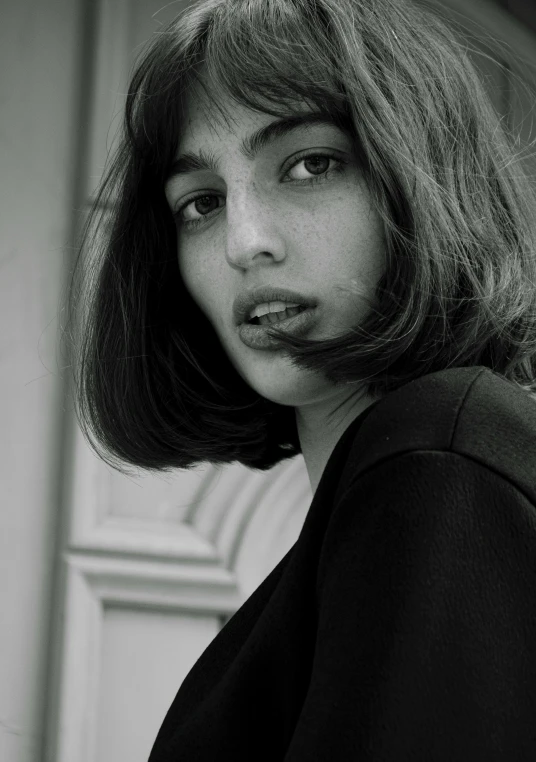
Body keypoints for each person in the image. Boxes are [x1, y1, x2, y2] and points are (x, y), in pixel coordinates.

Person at [61, 0, 536, 758]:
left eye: (311, 164)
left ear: (421, 176)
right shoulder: (368, 523)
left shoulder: (443, 457)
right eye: (201, 203)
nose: (244, 242)